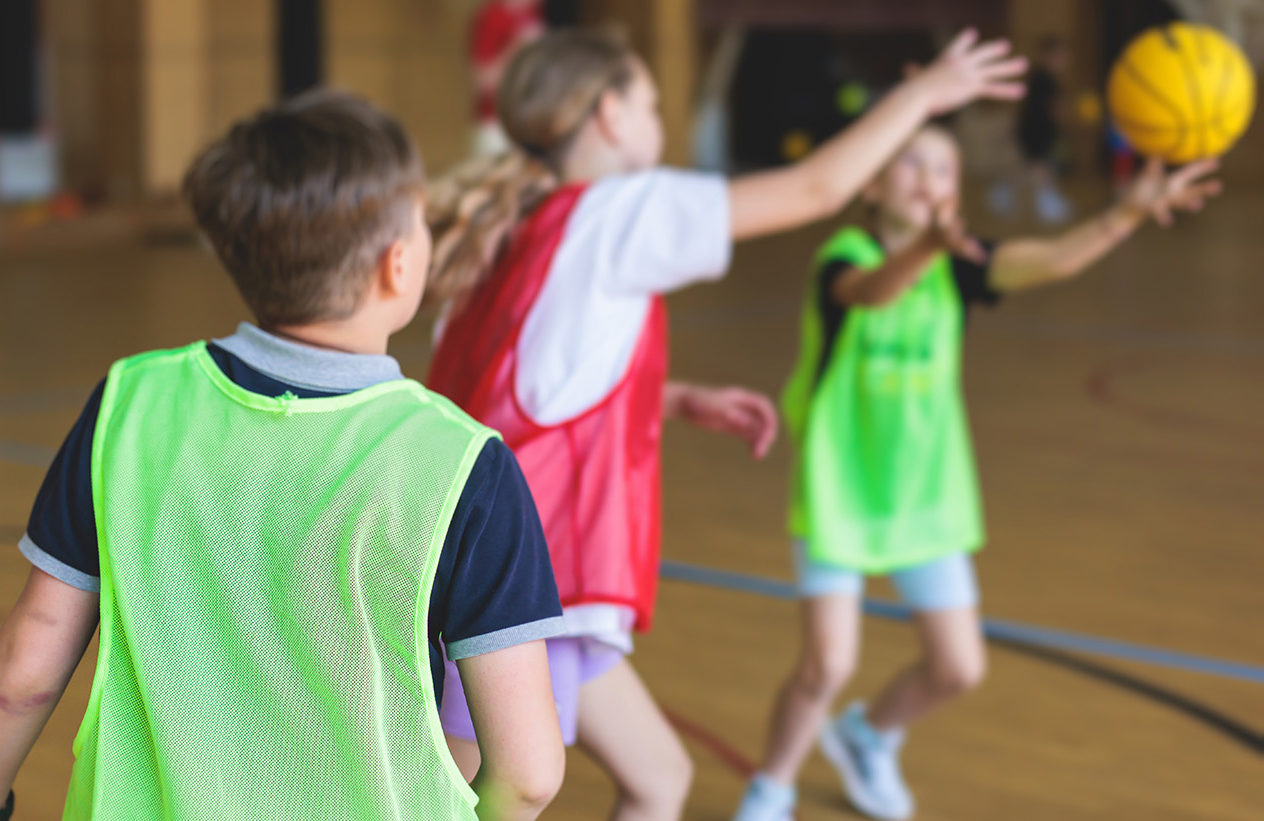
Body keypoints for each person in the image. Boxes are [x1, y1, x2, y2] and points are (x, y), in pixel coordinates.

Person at [424, 27, 1027, 821]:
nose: (657, 116)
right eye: (647, 100)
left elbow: (526, 381)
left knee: (658, 779)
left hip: (501, 562)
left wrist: (668, 397)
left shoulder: (514, 224)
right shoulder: (613, 213)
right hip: (526, 575)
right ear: (608, 115)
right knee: (458, 803)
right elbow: (813, 189)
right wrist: (922, 94)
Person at [0, 92, 568, 821]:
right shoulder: (464, 464)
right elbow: (528, 772)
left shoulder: (131, 403)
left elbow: (27, 666)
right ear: (398, 265)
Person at [734, 126, 1221, 821]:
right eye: (911, 160)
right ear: (870, 183)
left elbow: (1052, 259)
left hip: (926, 493)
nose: (929, 176)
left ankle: (868, 732)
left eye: (943, 166)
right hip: (839, 489)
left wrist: (1128, 211)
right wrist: (927, 247)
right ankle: (771, 786)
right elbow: (870, 293)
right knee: (825, 665)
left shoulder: (957, 264)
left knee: (958, 667)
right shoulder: (841, 258)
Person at [469, 0, 547, 156]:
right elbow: (482, 83)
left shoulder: (534, 13)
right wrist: (515, 47)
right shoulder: (492, 17)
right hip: (494, 126)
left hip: (527, 122)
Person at [1017, 36, 1073, 223]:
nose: (1064, 59)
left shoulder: (1043, 77)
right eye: (1061, 55)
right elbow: (1053, 108)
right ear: (1049, 55)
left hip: (1039, 131)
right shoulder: (1043, 78)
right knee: (1041, 169)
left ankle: (1046, 204)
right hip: (1036, 131)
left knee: (1039, 169)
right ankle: (1046, 206)